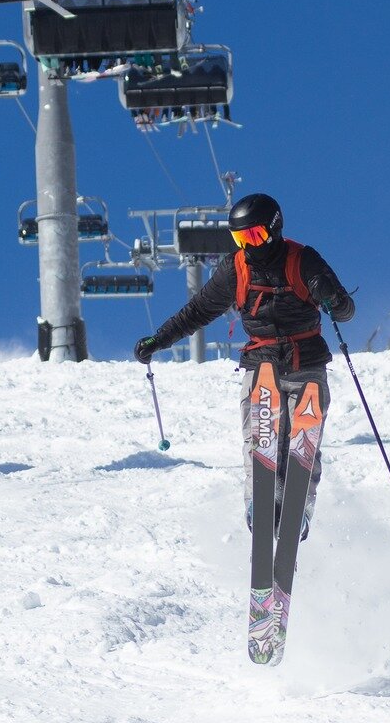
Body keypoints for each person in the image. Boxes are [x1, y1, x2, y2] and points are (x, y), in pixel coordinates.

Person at [135, 193, 354, 537]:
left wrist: (333, 299)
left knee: (302, 441)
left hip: (306, 365)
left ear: (274, 229)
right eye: (240, 238)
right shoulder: (235, 268)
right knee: (261, 438)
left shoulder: (303, 260)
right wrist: (159, 340)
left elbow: (345, 310)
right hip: (261, 366)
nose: (248, 246)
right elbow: (198, 310)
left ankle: (298, 510)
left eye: (253, 236)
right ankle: (261, 502)